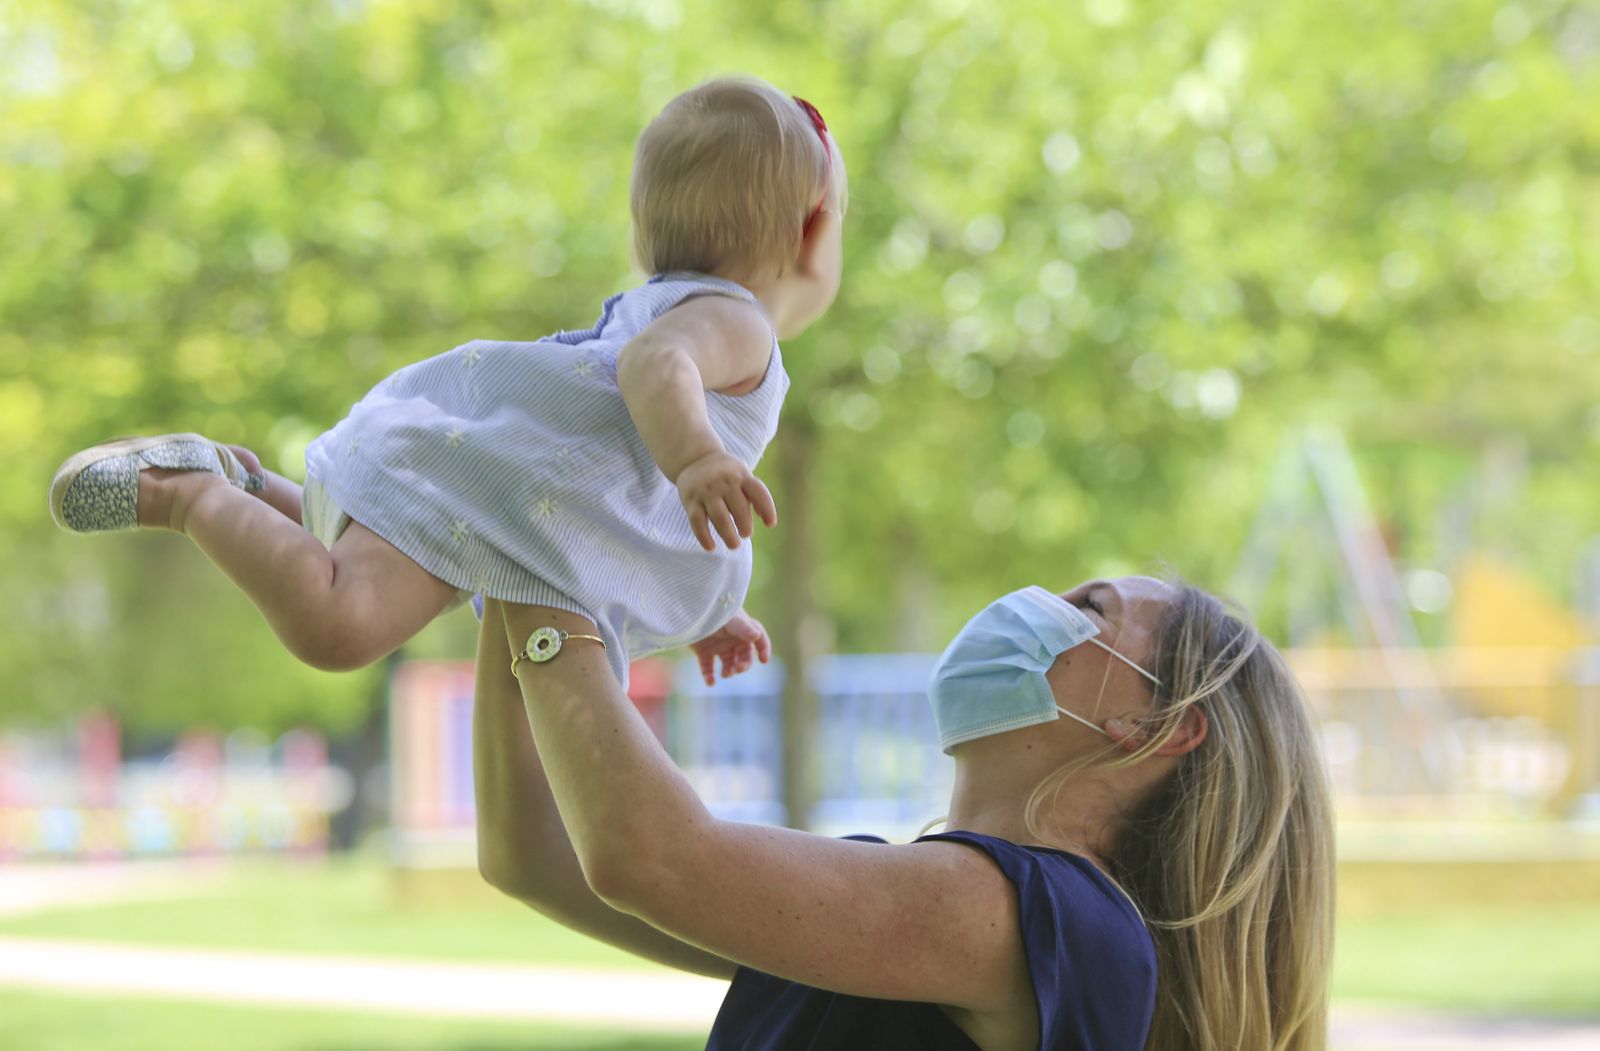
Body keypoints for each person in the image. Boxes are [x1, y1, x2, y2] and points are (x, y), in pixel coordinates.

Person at [45, 76, 845, 686]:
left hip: (479, 479)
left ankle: (247, 486)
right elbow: (654, 370)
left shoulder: (667, 307)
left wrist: (701, 609)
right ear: (811, 238)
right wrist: (699, 459)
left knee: (353, 553)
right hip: (484, 490)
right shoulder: (736, 323)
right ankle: (187, 493)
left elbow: (625, 501)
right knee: (337, 625)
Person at [474, 576, 1336, 1051]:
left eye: (1088, 608)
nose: (1034, 603)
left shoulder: (1050, 916)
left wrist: (549, 537)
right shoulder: (916, 900)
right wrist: (523, 564)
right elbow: (530, 851)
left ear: (1157, 727)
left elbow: (652, 858)